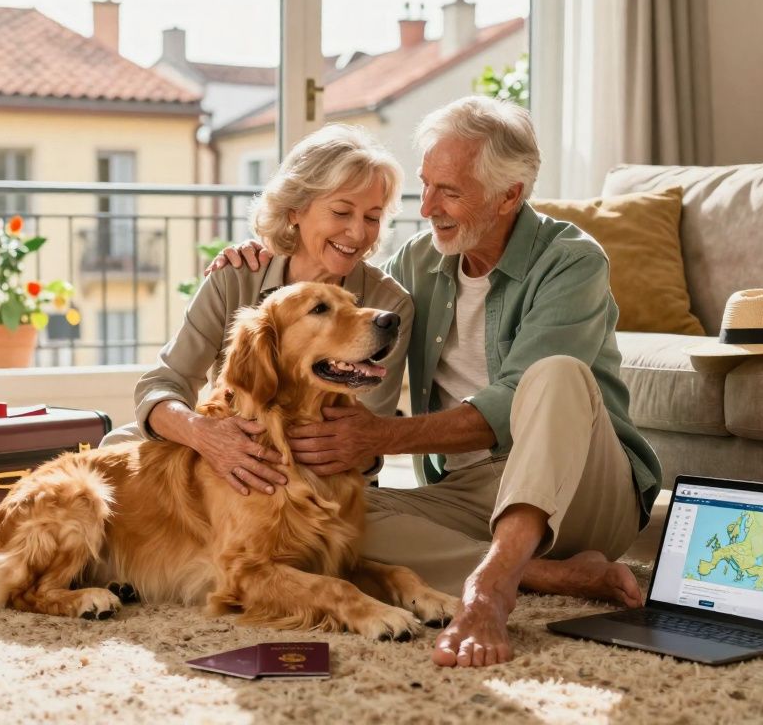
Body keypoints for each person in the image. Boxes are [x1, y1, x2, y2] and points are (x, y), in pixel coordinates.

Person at [209, 96, 662, 668]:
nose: (426, 207)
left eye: (448, 191)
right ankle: (545, 572)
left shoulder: (572, 261)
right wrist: (269, 253)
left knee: (554, 376)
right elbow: (341, 307)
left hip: (582, 490)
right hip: (469, 493)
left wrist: (380, 437)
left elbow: (508, 404)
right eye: (424, 186)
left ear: (509, 195)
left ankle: (493, 586)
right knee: (330, 525)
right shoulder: (419, 263)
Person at [100, 124, 413, 496]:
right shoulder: (236, 276)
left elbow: (366, 432)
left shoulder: (389, 307)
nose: (358, 233)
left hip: (322, 468)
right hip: (230, 437)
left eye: (372, 217)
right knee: (116, 450)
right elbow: (163, 383)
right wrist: (206, 435)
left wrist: (274, 454)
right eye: (342, 212)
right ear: (295, 210)